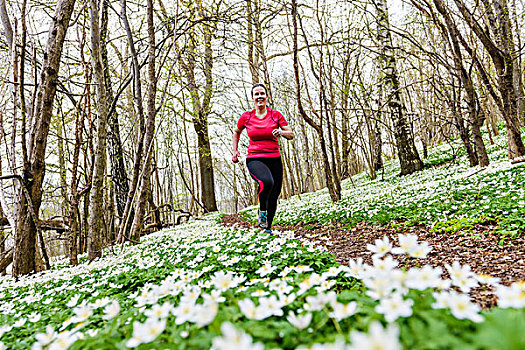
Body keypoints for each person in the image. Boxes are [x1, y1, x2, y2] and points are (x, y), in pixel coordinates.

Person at [232, 83, 294, 233]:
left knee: (274, 194)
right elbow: (237, 132)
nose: (260, 96)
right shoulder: (246, 117)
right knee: (267, 181)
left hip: (274, 158)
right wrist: (235, 151)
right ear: (252, 98)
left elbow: (291, 134)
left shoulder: (276, 115)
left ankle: (268, 228)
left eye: (262, 93)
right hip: (255, 158)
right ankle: (262, 211)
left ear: (266, 96)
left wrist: (281, 132)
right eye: (256, 94)